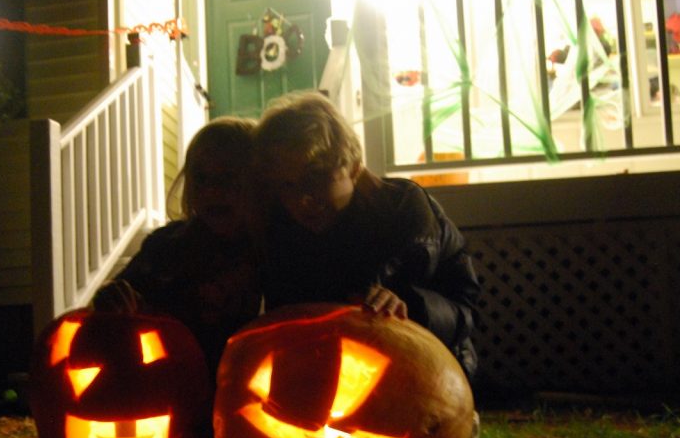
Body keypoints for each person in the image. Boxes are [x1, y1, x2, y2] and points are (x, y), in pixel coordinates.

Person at [251, 90, 481, 381]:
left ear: (354, 167)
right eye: (287, 185)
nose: (303, 199)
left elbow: (465, 311)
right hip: (334, 367)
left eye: (316, 178)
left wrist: (411, 305)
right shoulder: (283, 234)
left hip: (430, 367)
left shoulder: (404, 212)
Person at [92, 116, 262, 377]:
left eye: (228, 179)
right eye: (201, 178)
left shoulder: (269, 249)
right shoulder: (166, 248)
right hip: (172, 377)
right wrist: (114, 296)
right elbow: (126, 292)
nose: (212, 191)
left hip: (249, 376)